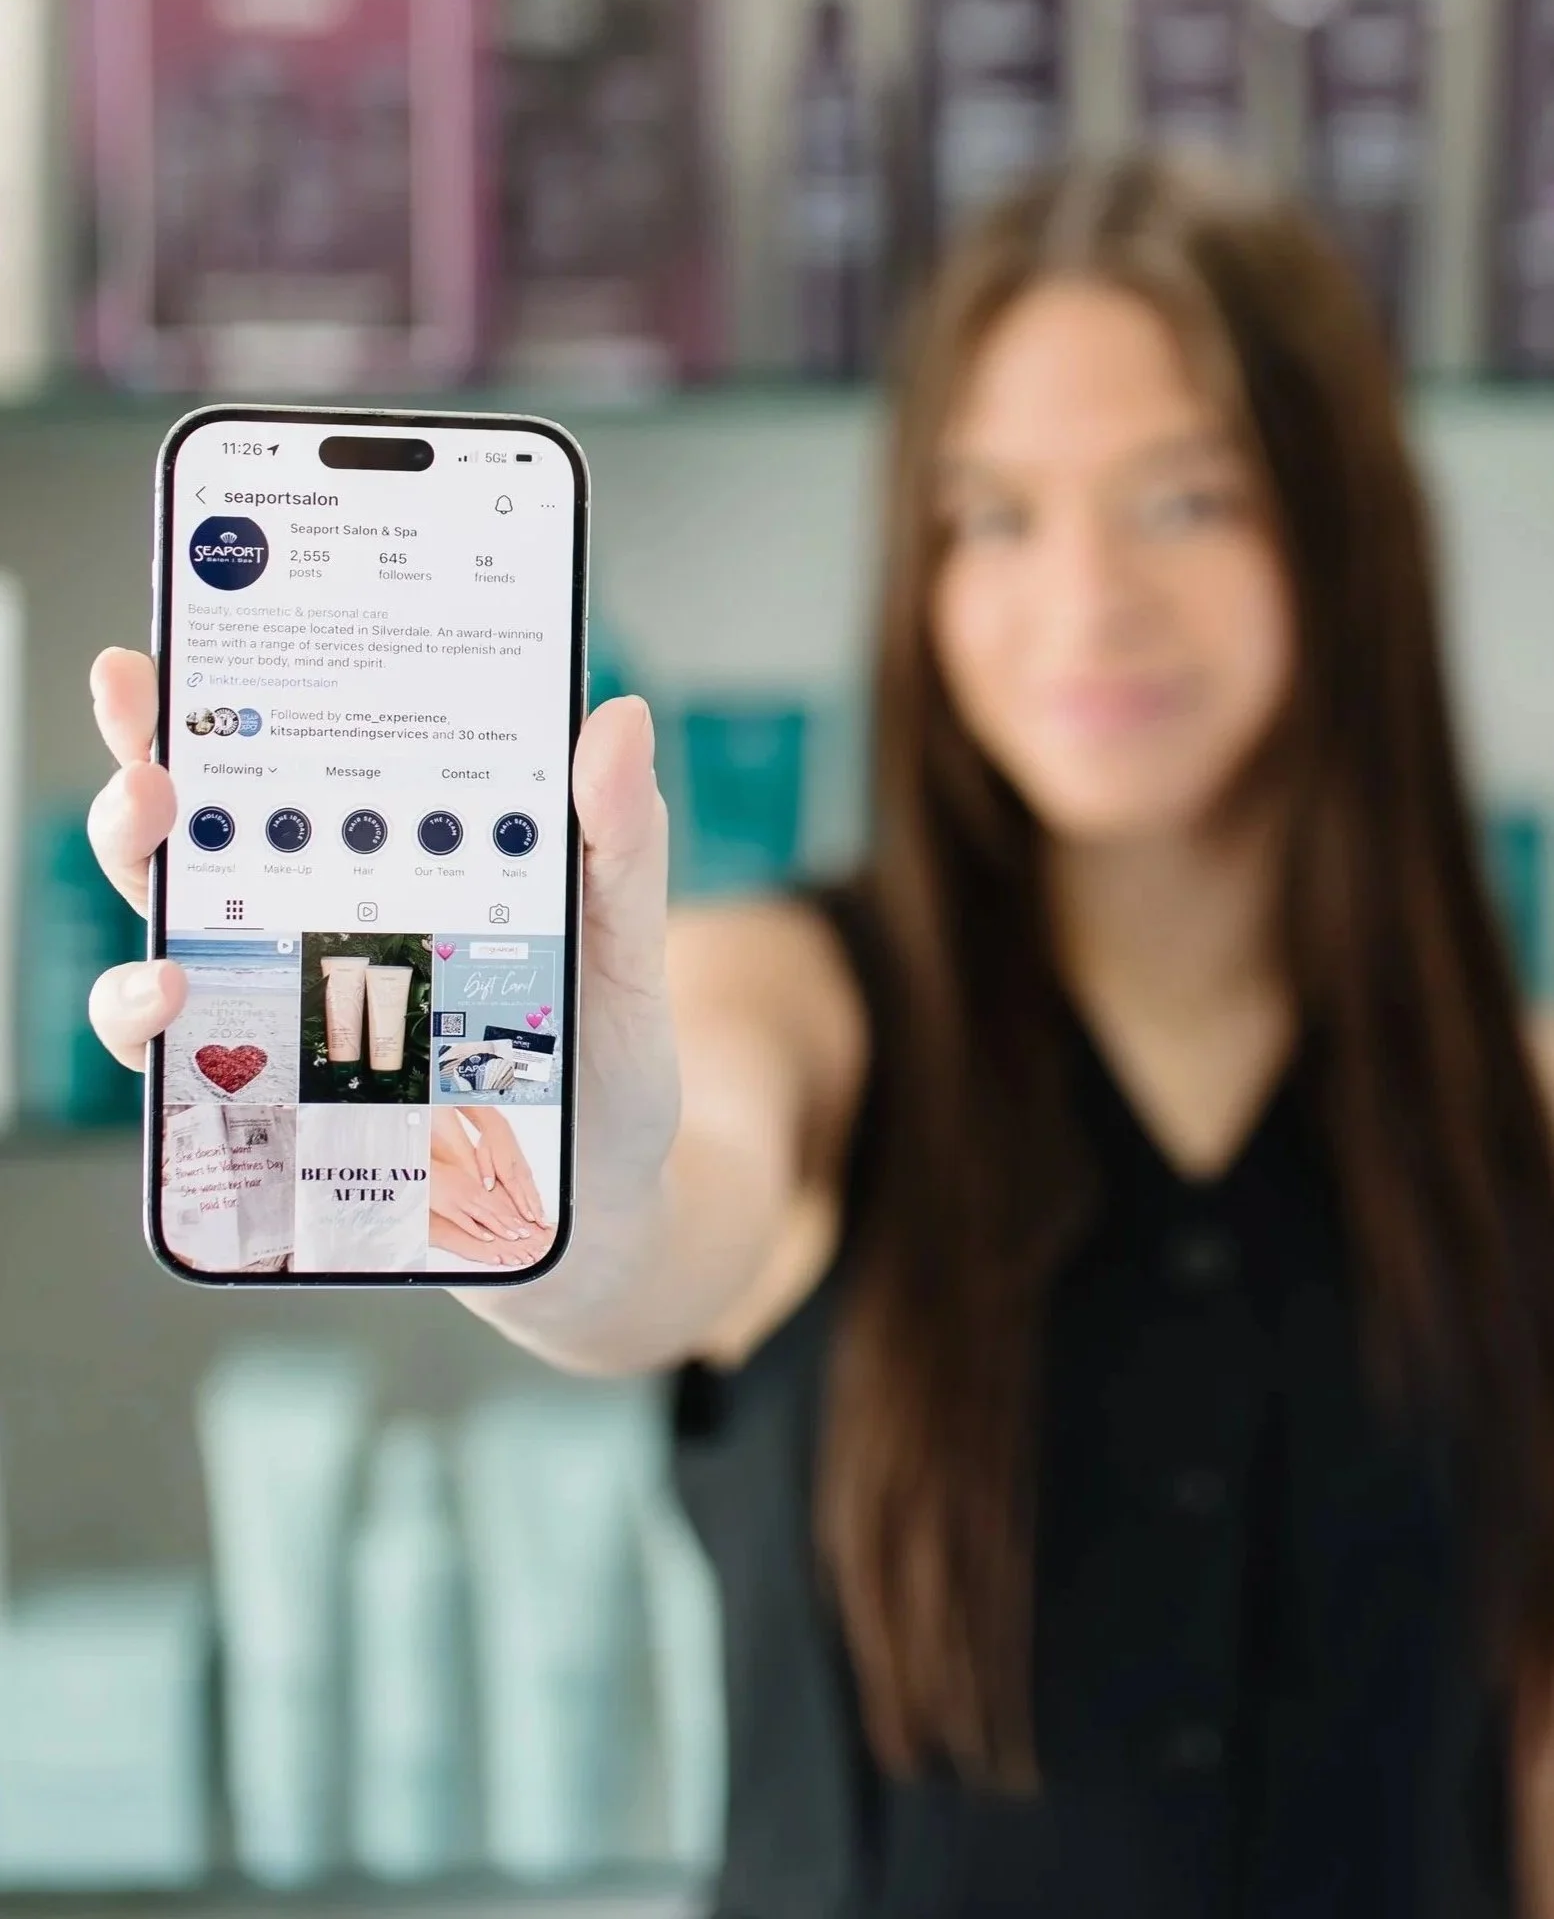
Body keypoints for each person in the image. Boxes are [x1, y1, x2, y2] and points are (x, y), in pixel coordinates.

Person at [86, 153, 1554, 1917]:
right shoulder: (800, 1008)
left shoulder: (1513, 1109)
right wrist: (553, 1193)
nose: (1084, 601)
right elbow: (651, 1237)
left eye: (1185, 501)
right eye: (991, 517)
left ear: (1342, 534)